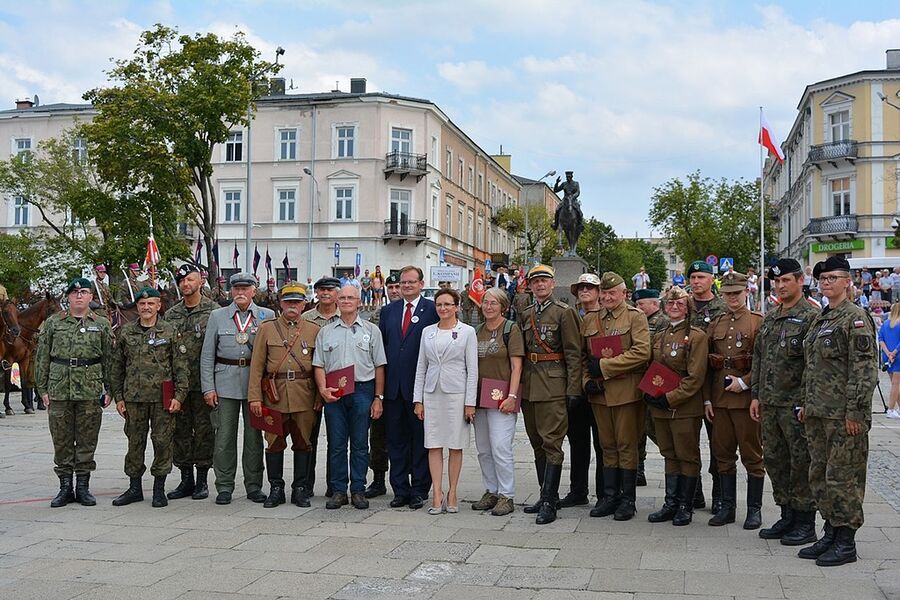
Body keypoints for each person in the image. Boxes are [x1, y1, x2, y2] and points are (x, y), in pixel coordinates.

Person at [798, 256, 877, 566]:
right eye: (823, 279)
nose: (827, 283)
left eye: (833, 278)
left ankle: (846, 542)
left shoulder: (855, 318)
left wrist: (856, 412)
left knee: (843, 478)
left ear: (848, 282)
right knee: (820, 475)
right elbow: (812, 368)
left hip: (843, 415)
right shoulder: (821, 319)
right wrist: (805, 403)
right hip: (818, 413)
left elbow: (864, 369)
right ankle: (830, 532)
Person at [750, 258, 818, 545]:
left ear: (799, 281)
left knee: (800, 462)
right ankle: (786, 514)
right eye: (776, 281)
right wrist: (755, 395)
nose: (780, 285)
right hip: (770, 404)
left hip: (794, 406)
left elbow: (814, 366)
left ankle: (805, 522)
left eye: (785, 280)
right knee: (776, 461)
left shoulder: (811, 316)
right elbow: (759, 359)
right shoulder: (772, 316)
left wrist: (805, 402)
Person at [34, 277, 114, 507]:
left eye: (84, 292)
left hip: (89, 388)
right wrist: (42, 388)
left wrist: (109, 388)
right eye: (75, 292)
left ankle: (83, 487)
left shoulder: (101, 323)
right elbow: (42, 357)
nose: (79, 296)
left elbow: (109, 358)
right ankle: (65, 487)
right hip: (59, 388)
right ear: (68, 297)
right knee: (61, 440)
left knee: (88, 439)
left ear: (91, 297)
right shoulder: (52, 323)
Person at [200, 272, 275, 505]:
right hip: (224, 382)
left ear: (254, 290)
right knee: (224, 437)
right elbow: (207, 355)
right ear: (230, 291)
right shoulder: (218, 316)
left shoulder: (267, 315)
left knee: (254, 438)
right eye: (236, 289)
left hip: (254, 385)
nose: (241, 293)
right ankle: (224, 486)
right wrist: (208, 388)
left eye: (246, 288)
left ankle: (253, 486)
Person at [111, 287, 189, 508]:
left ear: (158, 306)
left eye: (151, 304)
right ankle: (134, 488)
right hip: (133, 399)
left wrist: (179, 396)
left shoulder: (170, 331)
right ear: (137, 307)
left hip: (162, 399)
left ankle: (158, 489)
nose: (146, 308)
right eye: (142, 304)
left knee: (162, 442)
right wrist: (118, 396)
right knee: (135, 443)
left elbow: (181, 368)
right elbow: (117, 367)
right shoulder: (126, 333)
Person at [582, 271, 651, 521]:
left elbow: (642, 352)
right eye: (605, 293)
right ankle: (609, 496)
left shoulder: (635, 317)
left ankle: (627, 500)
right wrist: (586, 380)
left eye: (613, 293)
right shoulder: (591, 319)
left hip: (626, 392)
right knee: (607, 445)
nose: (608, 297)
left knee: (626, 446)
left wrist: (604, 368)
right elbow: (583, 356)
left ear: (624, 293)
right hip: (600, 394)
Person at [248, 283, 321, 508]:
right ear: (280, 304)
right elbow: (257, 366)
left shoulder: (314, 329)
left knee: (303, 443)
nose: (292, 306)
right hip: (274, 396)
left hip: (303, 395)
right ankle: (276, 488)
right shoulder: (266, 329)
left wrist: (319, 396)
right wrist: (255, 397)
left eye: (297, 302)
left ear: (304, 304)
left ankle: (300, 488)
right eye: (288, 302)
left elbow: (320, 366)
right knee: (274, 443)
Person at [518, 264, 582, 525]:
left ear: (553, 284)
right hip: (530, 386)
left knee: (551, 443)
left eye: (545, 281)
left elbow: (574, 353)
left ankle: (549, 501)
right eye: (536, 282)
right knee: (536, 443)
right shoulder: (526, 313)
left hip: (555, 386)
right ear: (530, 286)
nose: (540, 285)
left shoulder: (564, 313)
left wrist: (573, 389)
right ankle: (546, 494)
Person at [313, 285, 386, 509]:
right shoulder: (326, 331)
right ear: (336, 300)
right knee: (335, 443)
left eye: (350, 298)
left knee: (360, 444)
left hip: (363, 390)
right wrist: (323, 390)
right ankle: (338, 490)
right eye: (342, 297)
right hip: (335, 393)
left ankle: (357, 490)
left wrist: (378, 398)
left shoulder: (371, 330)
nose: (346, 301)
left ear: (358, 302)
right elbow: (318, 364)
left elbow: (379, 366)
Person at [705, 271, 765, 529]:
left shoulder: (757, 322)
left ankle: (754, 510)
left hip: (745, 400)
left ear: (746, 292)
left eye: (736, 293)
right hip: (719, 398)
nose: (732, 298)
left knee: (752, 454)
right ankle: (727, 507)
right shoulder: (715, 322)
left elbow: (764, 361)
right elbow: (707, 364)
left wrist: (746, 383)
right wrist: (707, 399)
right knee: (722, 454)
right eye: (727, 294)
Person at [645, 286, 708, 525]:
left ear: (688, 308)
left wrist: (670, 398)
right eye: (670, 304)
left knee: (687, 455)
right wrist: (650, 393)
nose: (674, 307)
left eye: (679, 304)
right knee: (668, 453)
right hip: (660, 406)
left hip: (684, 407)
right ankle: (670, 502)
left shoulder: (696, 336)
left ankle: (685, 505)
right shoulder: (660, 335)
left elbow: (695, 378)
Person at [413, 288, 478, 514]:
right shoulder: (427, 332)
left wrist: (470, 402)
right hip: (432, 393)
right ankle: (437, 492)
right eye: (439, 305)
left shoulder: (467, 332)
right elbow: (421, 367)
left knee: (455, 444)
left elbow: (473, 369)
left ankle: (452, 491)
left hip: (456, 394)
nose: (443, 308)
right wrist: (417, 400)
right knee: (433, 443)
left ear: (457, 307)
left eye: (448, 304)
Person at [379, 265, 439, 510]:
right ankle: (400, 489)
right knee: (396, 441)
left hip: (421, 389)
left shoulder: (432, 310)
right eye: (403, 283)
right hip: (393, 388)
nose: (406, 286)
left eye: (411, 282)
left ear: (421, 284)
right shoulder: (388, 311)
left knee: (419, 439)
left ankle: (419, 489)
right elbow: (382, 349)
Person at [163, 264, 220, 501]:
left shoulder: (214, 312)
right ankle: (185, 478)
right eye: (182, 281)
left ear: (200, 282)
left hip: (204, 384)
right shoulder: (171, 314)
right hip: (179, 386)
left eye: (190, 280)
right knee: (180, 432)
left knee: (205, 432)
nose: (186, 284)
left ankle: (202, 480)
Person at [471, 287, 524, 516]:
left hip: (502, 397)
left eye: (493, 303)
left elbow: (517, 366)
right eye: (485, 303)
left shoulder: (510, 329)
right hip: (479, 396)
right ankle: (491, 490)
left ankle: (507, 495)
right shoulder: (477, 331)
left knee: (501, 447)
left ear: (503, 306)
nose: (488, 307)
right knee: (483, 449)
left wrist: (512, 396)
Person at [558, 274, 604, 509]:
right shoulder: (571, 313)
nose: (585, 291)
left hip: (599, 386)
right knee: (577, 442)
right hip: (576, 386)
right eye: (581, 288)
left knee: (602, 443)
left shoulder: (606, 315)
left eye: (590, 287)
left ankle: (604, 493)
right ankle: (578, 490)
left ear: (598, 291)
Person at [686, 259, 728, 512]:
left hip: (714, 382)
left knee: (718, 442)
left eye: (701, 277)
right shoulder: (682, 304)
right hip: (688, 383)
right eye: (693, 278)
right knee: (688, 442)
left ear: (712, 279)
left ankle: (720, 495)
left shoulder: (723, 307)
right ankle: (694, 493)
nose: (696, 282)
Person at [302, 276, 342, 497]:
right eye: (322, 290)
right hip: (310, 386)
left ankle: (333, 485)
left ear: (337, 293)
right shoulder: (306, 318)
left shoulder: (344, 316)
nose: (326, 293)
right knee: (309, 437)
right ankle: (306, 484)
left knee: (336, 439)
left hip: (338, 384)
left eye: (330, 290)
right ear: (316, 293)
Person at [365, 272, 401, 497]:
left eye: (398, 286)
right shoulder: (378, 315)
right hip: (380, 382)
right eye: (392, 287)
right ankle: (378, 479)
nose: (395, 291)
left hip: (403, 382)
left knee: (401, 435)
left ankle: (402, 480)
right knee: (377, 435)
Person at [634, 288, 669, 486]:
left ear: (654, 304)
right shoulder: (637, 321)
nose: (638, 308)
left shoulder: (662, 322)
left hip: (655, 381)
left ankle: (672, 462)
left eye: (641, 304)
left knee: (655, 428)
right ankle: (639, 469)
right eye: (637, 305)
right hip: (638, 381)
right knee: (638, 429)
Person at [879, 302, 900, 419]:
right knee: (896, 384)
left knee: (894, 383)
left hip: (887, 356)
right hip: (898, 356)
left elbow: (880, 339)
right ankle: (891, 409)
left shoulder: (886, 324)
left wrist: (888, 353)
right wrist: (895, 352)